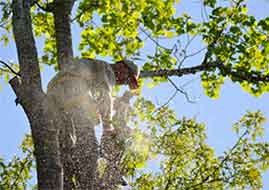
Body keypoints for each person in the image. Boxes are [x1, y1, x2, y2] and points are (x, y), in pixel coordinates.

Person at [47, 58, 139, 189]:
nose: (123, 82)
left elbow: (101, 98)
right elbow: (105, 96)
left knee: (68, 152)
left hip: (57, 103)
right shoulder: (107, 69)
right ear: (122, 67)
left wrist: (121, 102)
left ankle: (67, 182)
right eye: (127, 78)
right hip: (73, 102)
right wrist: (108, 127)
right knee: (88, 150)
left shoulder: (93, 69)